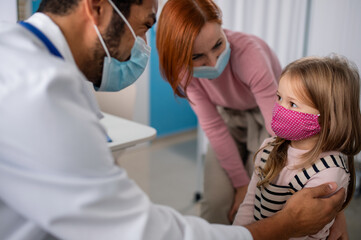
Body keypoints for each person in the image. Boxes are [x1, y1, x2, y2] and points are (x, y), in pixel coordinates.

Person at [0, 0, 346, 239]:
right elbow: (138, 231)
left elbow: (284, 131)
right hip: (229, 122)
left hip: (268, 121)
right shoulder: (39, 92)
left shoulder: (32, 63)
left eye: (218, 45)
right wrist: (280, 224)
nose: (140, 46)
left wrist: (330, 202)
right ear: (97, 7)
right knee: (219, 196)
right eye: (142, 26)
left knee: (273, 184)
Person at [156, 0, 282, 224]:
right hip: (228, 117)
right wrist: (240, 184)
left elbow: (277, 126)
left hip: (268, 119)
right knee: (216, 202)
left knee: (256, 203)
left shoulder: (250, 54)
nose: (213, 62)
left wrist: (249, 189)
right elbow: (214, 127)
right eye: (197, 57)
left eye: (218, 45)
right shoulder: (183, 71)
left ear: (223, 29)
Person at [233, 55, 361, 239]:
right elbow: (249, 202)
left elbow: (307, 232)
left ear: (329, 118)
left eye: (292, 104)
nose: (279, 108)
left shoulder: (329, 173)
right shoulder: (269, 147)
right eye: (279, 97)